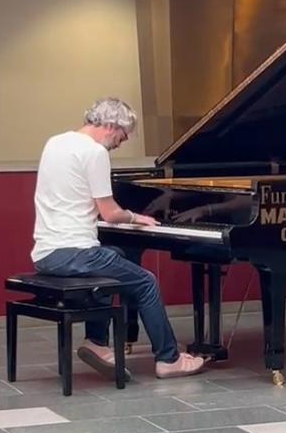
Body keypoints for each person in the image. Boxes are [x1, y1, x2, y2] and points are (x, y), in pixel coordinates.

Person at [30, 97, 206, 380]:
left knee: (116, 257)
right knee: (146, 282)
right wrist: (138, 218)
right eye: (122, 137)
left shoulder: (55, 142)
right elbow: (110, 213)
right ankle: (168, 359)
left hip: (47, 253)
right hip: (77, 253)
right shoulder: (95, 152)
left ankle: (97, 342)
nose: (120, 144)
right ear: (111, 125)